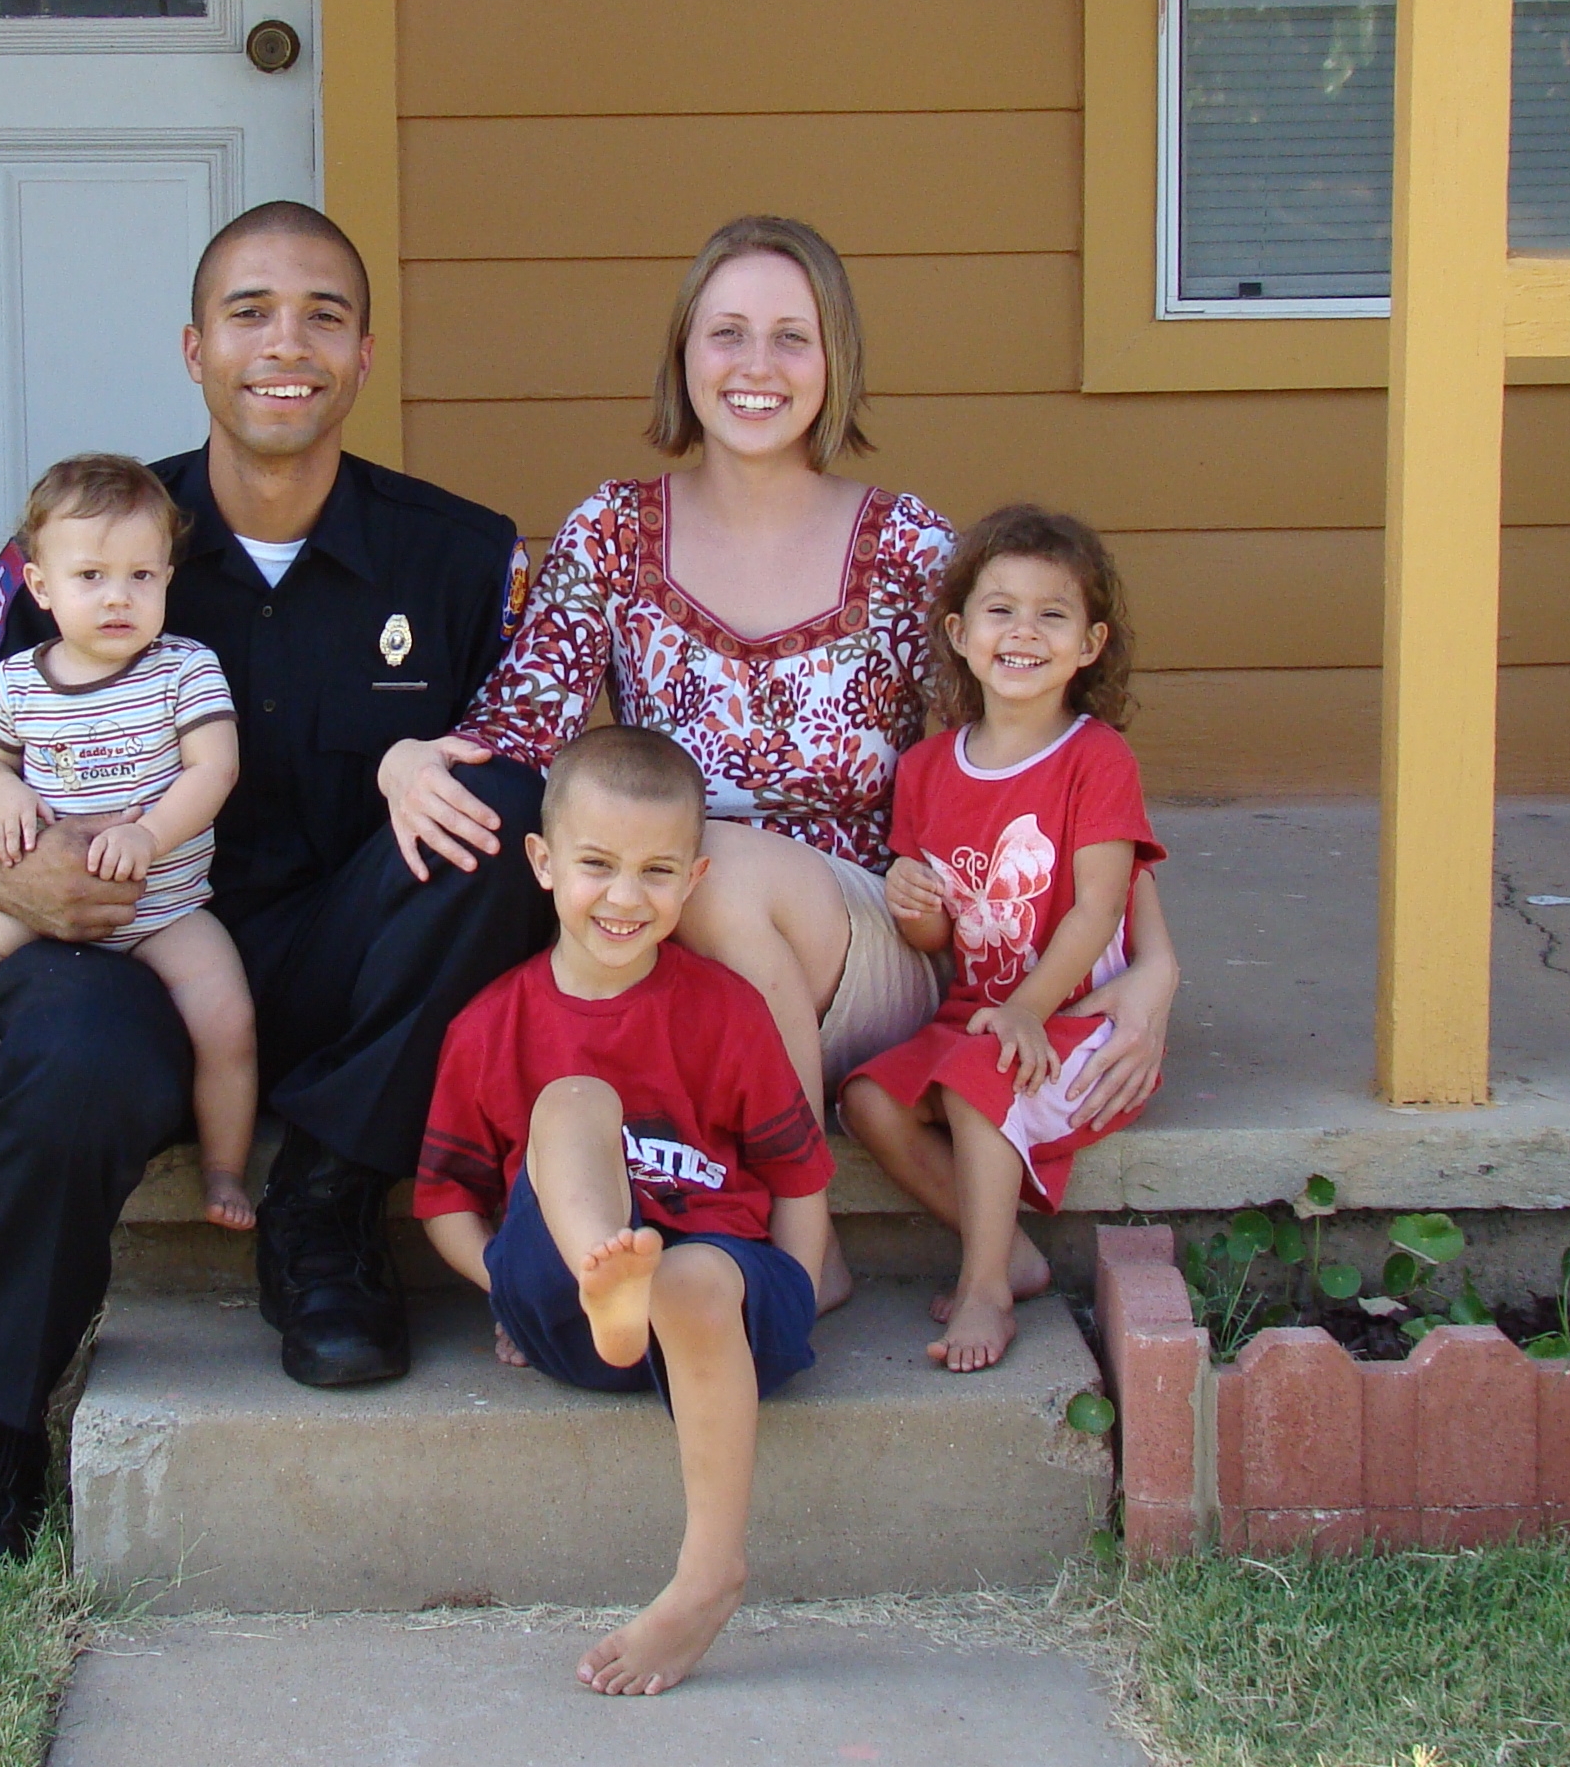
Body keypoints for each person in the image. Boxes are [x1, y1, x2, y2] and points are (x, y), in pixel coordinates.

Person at [0, 202, 553, 1573]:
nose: (285, 343)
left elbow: (543, 772)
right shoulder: (84, 538)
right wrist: (22, 894)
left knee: (506, 811)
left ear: (365, 355)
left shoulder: (461, 557)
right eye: (250, 311)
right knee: (65, 1068)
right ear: (193, 349)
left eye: (321, 313)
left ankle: (322, 1205)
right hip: (125, 950)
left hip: (353, 963)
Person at [377, 216, 1183, 1302]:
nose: (758, 368)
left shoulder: (910, 549)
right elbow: (522, 722)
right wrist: (402, 762)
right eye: (729, 334)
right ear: (684, 355)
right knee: (649, 872)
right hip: (667, 932)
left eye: (791, 338)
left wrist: (1152, 976)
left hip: (875, 942)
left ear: (834, 361)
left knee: (717, 863)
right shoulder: (613, 531)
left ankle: (808, 1255)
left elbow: (1040, 760)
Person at [414, 724, 831, 1697]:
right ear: (543, 863)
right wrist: (505, 1292)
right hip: (563, 1300)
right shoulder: (493, 1025)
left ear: (694, 880)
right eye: (597, 865)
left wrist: (800, 1291)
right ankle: (610, 1289)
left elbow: (799, 1176)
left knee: (691, 1276)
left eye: (656, 871)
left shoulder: (726, 1010)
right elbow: (444, 1203)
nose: (625, 896)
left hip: (713, 1305)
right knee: (571, 1102)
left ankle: (708, 1572)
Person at [843, 508, 1167, 1373]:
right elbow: (935, 931)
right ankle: (1012, 1250)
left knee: (979, 1077)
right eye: (1000, 610)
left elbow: (1101, 908)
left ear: (1091, 643)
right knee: (869, 1098)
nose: (1023, 632)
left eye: (1052, 615)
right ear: (958, 631)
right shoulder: (927, 767)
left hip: (1076, 1025)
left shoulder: (1095, 759)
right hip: (974, 1018)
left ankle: (984, 1283)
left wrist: (1027, 1007)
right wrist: (910, 900)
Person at [0, 455, 255, 1236]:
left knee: (227, 1019)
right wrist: (6, 794)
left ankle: (226, 1165)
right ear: (40, 588)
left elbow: (215, 768)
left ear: (168, 578)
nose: (118, 598)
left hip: (163, 906)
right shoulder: (20, 681)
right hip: (49, 905)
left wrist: (149, 831)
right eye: (91, 576)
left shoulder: (185, 672)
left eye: (140, 577)